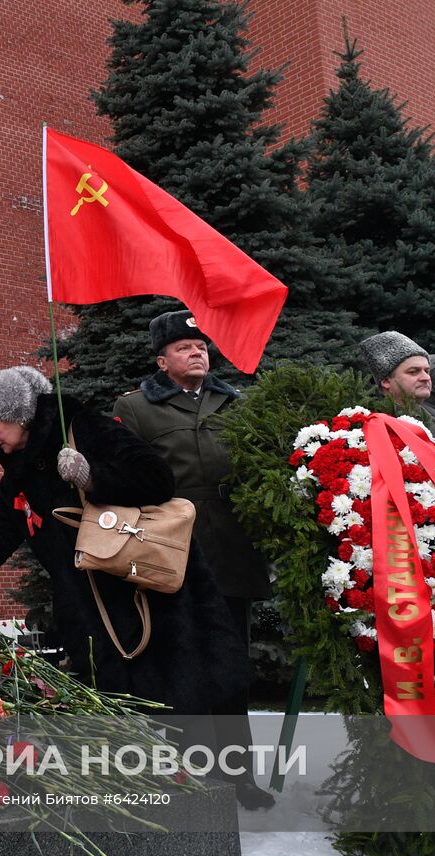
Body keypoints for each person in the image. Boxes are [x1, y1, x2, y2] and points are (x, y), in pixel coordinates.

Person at [0, 366, 248, 721]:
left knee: (178, 707)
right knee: (116, 717)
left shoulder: (86, 428)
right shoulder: (20, 467)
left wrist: (91, 476)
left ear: (19, 415)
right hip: (88, 611)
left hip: (145, 597)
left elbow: (157, 479)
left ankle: (206, 776)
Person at [111, 310, 274, 809]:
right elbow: (124, 478)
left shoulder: (237, 402)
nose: (197, 352)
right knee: (183, 666)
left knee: (231, 667)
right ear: (162, 360)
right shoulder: (136, 408)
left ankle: (240, 776)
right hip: (172, 556)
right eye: (184, 347)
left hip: (231, 551)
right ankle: (191, 776)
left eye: (201, 345)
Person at [360, 330, 431, 405]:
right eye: (413, 372)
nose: (426, 378)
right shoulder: (372, 416)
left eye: (427, 371)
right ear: (386, 381)